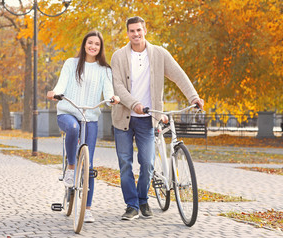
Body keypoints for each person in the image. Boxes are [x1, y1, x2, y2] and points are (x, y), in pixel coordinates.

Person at [111, 16, 204, 220]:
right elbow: (117, 86)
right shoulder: (118, 56)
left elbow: (179, 75)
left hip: (148, 118)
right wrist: (134, 103)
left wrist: (193, 96)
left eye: (139, 30)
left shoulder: (159, 54)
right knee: (125, 163)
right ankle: (132, 205)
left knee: (148, 163)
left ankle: (143, 200)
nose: (136, 34)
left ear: (145, 30)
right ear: (127, 33)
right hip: (124, 119)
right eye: (132, 31)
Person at [47, 30, 120, 223]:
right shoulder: (71, 64)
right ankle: (71, 166)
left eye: (97, 44)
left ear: (100, 47)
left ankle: (87, 208)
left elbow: (108, 92)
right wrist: (55, 92)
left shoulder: (105, 69)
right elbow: (62, 85)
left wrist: (112, 99)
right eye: (90, 43)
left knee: (89, 165)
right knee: (72, 128)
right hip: (68, 112)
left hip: (90, 117)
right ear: (84, 44)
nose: (93, 46)